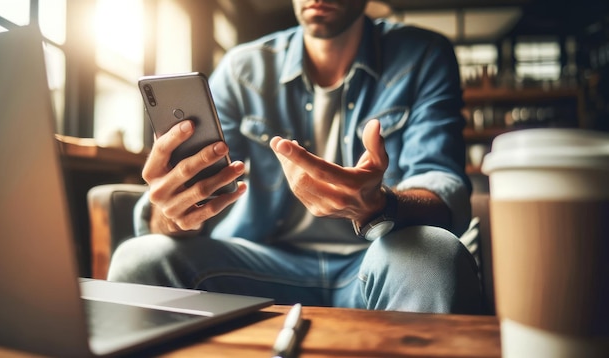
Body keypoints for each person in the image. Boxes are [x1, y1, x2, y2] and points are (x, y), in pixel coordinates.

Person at [108, 0, 483, 314]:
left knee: (434, 256)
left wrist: (381, 204)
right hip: (258, 263)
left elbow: (443, 188)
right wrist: (171, 213)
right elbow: (186, 200)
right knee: (138, 257)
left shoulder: (422, 55)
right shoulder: (243, 70)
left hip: (376, 260)